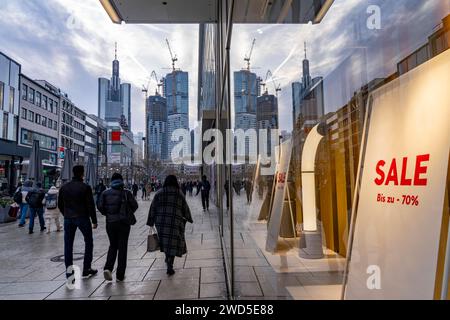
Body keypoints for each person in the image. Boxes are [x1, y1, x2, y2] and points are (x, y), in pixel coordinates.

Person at [147, 175, 193, 276]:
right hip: (175, 221)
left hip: (161, 222)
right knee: (172, 241)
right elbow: (185, 207)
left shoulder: (159, 193)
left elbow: (153, 207)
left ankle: (167, 258)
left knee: (165, 241)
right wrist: (188, 218)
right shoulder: (179, 193)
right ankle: (170, 264)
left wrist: (150, 221)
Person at [58, 165, 98, 279]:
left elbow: (60, 204)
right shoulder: (85, 187)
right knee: (88, 242)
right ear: (82, 173)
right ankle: (86, 268)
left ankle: (69, 273)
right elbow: (91, 205)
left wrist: (65, 214)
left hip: (68, 218)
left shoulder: (64, 187)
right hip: (82, 217)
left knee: (68, 245)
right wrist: (94, 221)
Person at [97, 173, 138, 282]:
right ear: (121, 181)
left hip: (110, 223)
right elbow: (135, 205)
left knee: (113, 245)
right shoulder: (126, 193)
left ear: (111, 181)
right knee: (122, 248)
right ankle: (120, 275)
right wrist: (127, 212)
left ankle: (108, 268)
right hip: (124, 223)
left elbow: (100, 206)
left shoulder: (105, 193)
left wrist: (108, 214)